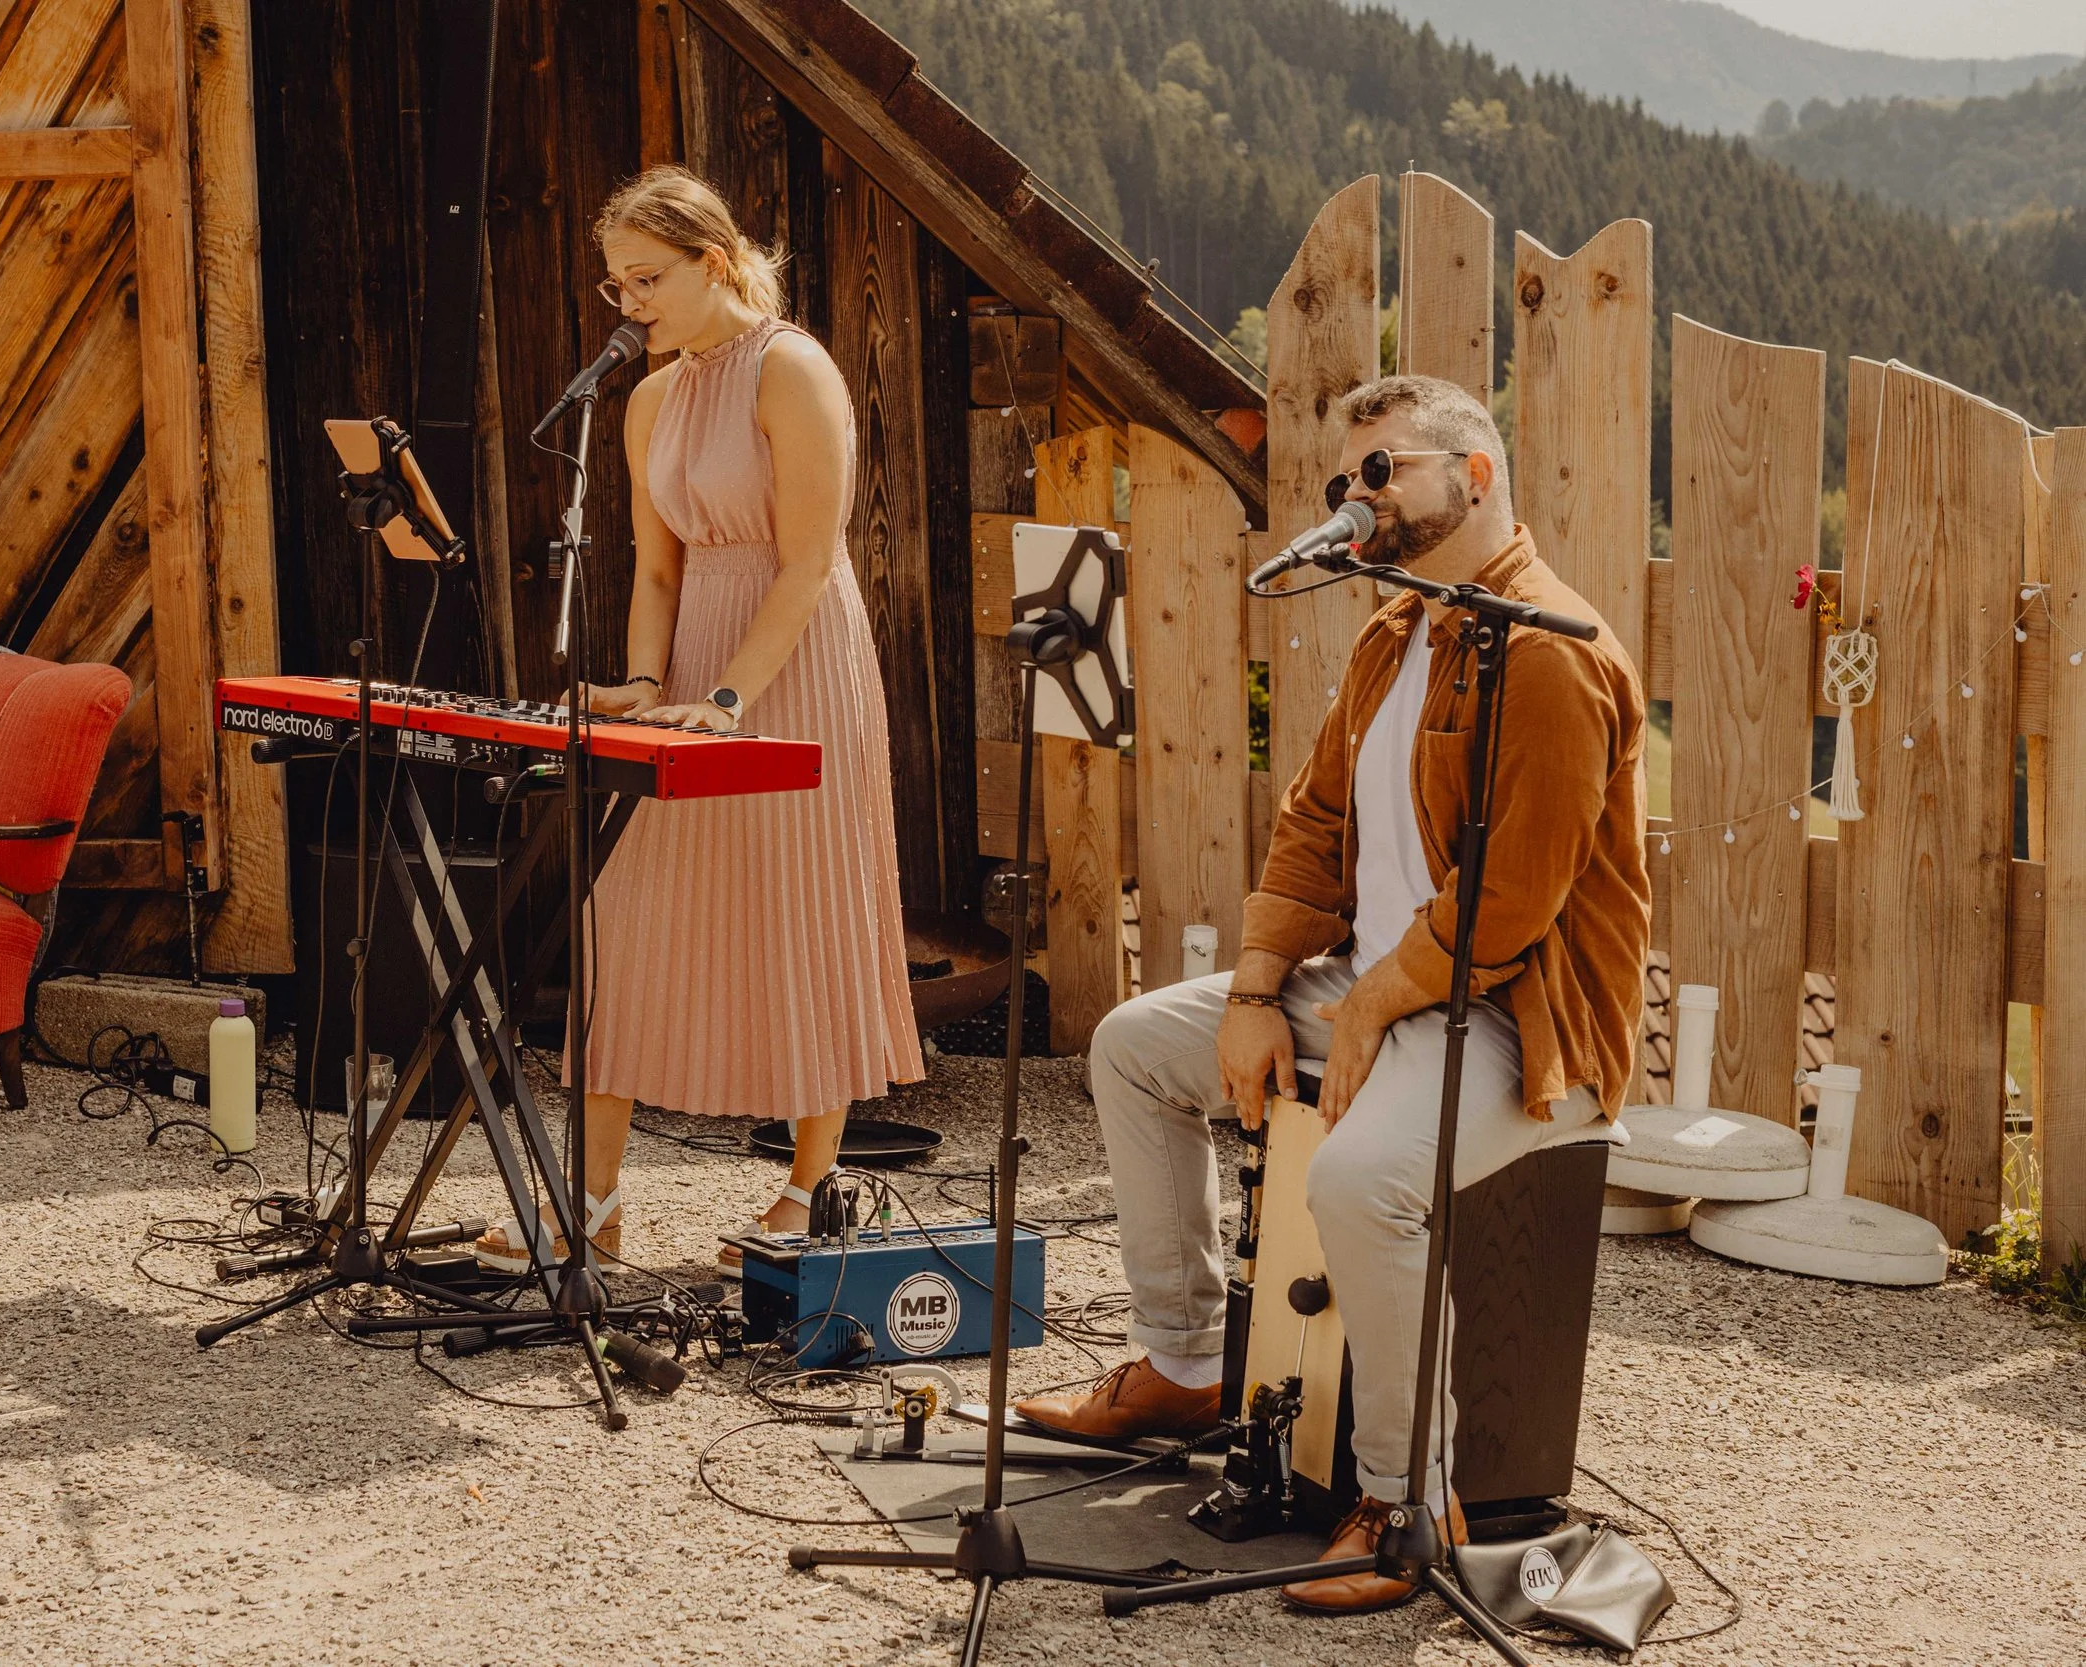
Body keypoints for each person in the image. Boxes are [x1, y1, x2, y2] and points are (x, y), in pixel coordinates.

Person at [1013, 376, 1650, 1614]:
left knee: (1358, 1180)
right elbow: (1313, 824)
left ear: (1471, 477)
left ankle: (1410, 1496)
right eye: (1340, 481)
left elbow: (1509, 903)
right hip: (1373, 983)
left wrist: (1364, 1009)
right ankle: (1187, 1362)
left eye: (1379, 472)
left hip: (1517, 1016)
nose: (1352, 498)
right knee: (1138, 1044)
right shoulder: (1393, 629)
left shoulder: (1553, 651)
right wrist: (1258, 990)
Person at [473, 166, 922, 1277]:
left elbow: (813, 558)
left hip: (796, 655)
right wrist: (640, 679)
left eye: (646, 277)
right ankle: (592, 1196)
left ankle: (811, 1193)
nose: (626, 302)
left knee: (802, 903)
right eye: (614, 282)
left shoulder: (794, 367)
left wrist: (729, 696)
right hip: (688, 669)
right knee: (628, 920)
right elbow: (657, 564)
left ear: (712, 263)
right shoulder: (647, 398)